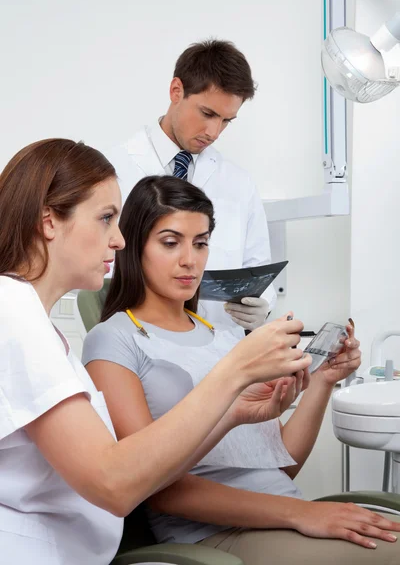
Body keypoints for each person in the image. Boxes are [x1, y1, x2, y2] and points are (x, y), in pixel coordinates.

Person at [0, 140, 311, 565]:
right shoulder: (13, 311)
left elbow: (131, 468)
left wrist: (235, 409)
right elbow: (115, 482)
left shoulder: (34, 321)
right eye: (106, 218)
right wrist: (233, 372)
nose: (119, 239)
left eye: (200, 243)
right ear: (48, 221)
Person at [83, 175, 400, 565]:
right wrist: (302, 514)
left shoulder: (227, 337)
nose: (190, 259)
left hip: (282, 514)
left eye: (201, 244)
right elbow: (152, 486)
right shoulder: (114, 339)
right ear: (134, 245)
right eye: (170, 242)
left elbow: (279, 467)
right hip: (211, 536)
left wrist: (322, 381)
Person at [106, 39, 275, 335]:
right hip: (138, 342)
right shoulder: (113, 170)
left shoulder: (238, 183)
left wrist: (262, 304)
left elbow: (258, 269)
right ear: (176, 91)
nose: (214, 132)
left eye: (226, 121)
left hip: (221, 349)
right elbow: (98, 268)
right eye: (207, 114)